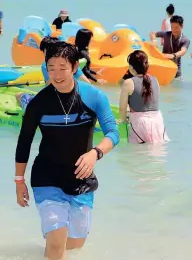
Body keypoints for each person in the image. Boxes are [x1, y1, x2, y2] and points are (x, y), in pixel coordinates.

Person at [14, 42, 119, 260]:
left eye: (62, 67)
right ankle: (53, 250)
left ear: (74, 67)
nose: (57, 74)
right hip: (47, 176)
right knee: (55, 241)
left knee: (74, 243)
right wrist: (18, 180)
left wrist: (95, 153)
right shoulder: (39, 103)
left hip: (81, 178)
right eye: (51, 68)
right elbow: (24, 142)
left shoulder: (94, 96)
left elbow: (113, 134)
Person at [16, 37, 90, 110]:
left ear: (46, 50)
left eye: (43, 51)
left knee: (19, 95)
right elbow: (87, 83)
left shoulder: (46, 65)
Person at [119, 50, 169, 144]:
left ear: (130, 67)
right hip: (158, 121)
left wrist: (124, 121)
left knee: (138, 155)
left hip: (140, 123)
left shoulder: (128, 83)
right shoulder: (155, 80)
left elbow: (122, 109)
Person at [150, 15, 190, 79]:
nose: (174, 30)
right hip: (163, 68)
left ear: (182, 26)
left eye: (176, 27)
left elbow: (183, 51)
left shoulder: (185, 40)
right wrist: (154, 41)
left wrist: (173, 55)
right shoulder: (167, 34)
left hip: (176, 73)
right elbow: (152, 33)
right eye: (172, 27)